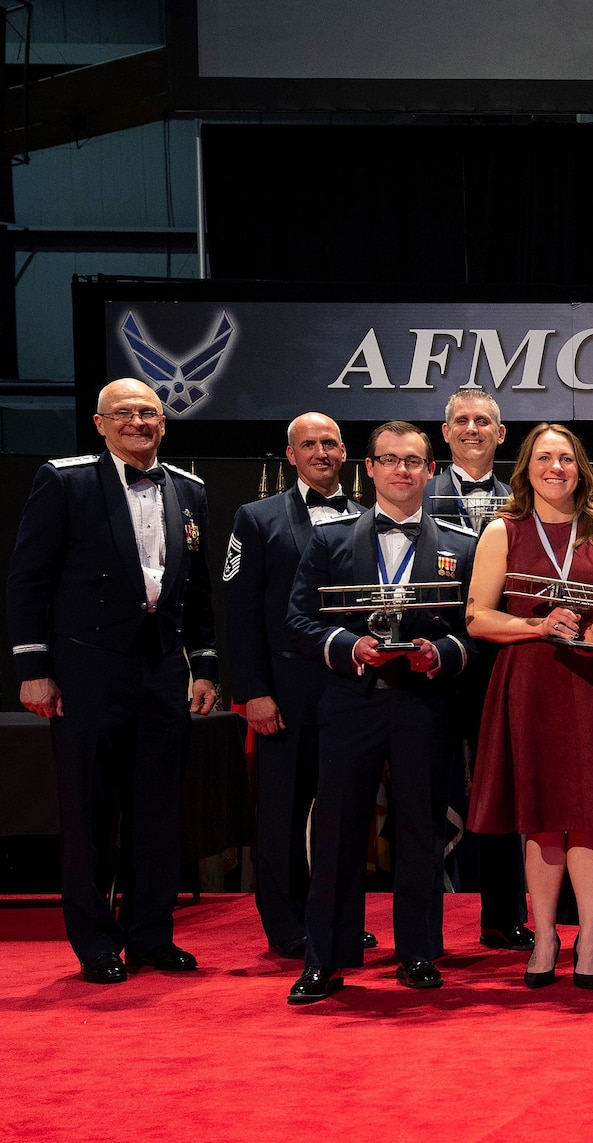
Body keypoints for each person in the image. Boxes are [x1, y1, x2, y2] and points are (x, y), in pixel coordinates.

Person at [7, 378, 220, 983]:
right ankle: (96, 943)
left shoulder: (191, 489)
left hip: (160, 671)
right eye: (122, 413)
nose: (137, 422)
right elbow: (28, 581)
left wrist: (204, 663)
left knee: (158, 811)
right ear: (99, 424)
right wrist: (34, 669)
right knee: (89, 811)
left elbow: (199, 589)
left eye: (148, 412)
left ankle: (150, 936)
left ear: (164, 422)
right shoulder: (64, 479)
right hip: (85, 671)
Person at [284, 422, 479, 1004]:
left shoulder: (462, 545)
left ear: (430, 470)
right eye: (390, 460)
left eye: (414, 461)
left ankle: (418, 952)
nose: (402, 471)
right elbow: (297, 623)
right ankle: (326, 959)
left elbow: (476, 632)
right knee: (341, 832)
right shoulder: (329, 540)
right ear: (367, 468)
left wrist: (438, 654)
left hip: (425, 703)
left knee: (421, 829)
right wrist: (349, 648)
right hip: (353, 701)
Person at [464, 423, 593, 988]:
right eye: (544, 458)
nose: (556, 468)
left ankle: (590, 941)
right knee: (542, 820)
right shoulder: (502, 531)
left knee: (592, 818)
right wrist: (537, 624)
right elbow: (478, 616)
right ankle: (545, 936)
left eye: (567, 459)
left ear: (582, 468)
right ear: (525, 467)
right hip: (532, 681)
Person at [222, 412, 376, 959]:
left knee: (344, 807)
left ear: (345, 451)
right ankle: (285, 924)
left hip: (352, 682)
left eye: (329, 443)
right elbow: (237, 613)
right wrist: (253, 691)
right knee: (284, 811)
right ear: (290, 455)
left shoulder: (370, 516)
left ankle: (337, 918)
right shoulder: (255, 518)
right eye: (307, 444)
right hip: (284, 685)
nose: (320, 452)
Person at [421, 386, 532, 954]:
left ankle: (504, 917)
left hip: (504, 663)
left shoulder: (525, 497)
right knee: (426, 793)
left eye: (482, 421)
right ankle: (422, 933)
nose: (471, 430)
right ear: (445, 432)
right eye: (461, 421)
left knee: (504, 794)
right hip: (433, 664)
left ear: (500, 433)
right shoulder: (418, 491)